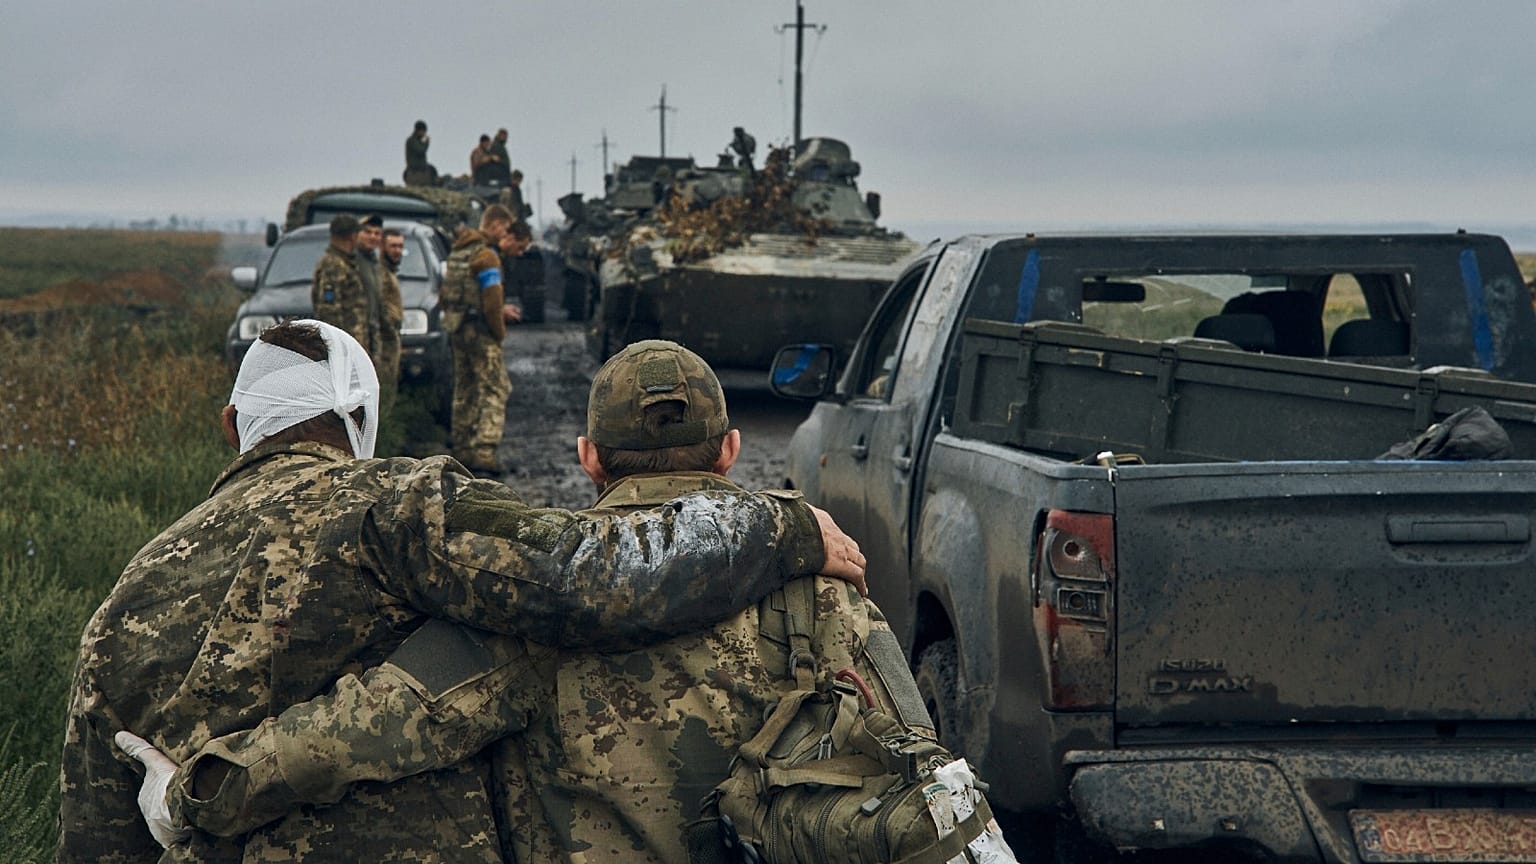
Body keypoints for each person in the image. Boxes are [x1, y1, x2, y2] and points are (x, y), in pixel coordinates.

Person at [60, 322, 865, 863]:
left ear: (232, 426)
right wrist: (780, 526)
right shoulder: (398, 506)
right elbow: (578, 573)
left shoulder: (121, 608)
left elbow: (95, 836)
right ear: (360, 418)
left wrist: (195, 796)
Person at [442, 203, 514, 474]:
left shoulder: (458, 251)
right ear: (495, 225)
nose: (505, 235)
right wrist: (499, 332)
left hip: (458, 327)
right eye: (504, 229)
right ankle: (485, 450)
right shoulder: (486, 256)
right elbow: (492, 301)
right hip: (481, 331)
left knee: (465, 388)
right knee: (495, 387)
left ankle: (462, 447)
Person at [310, 214, 375, 357]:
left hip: (353, 345)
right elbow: (329, 311)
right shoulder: (333, 265)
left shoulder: (345, 263)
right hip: (344, 348)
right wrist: (339, 348)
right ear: (353, 236)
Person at [376, 226, 406, 418]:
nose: (397, 251)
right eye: (393, 246)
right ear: (382, 247)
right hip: (383, 340)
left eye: (400, 246)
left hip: (392, 337)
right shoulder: (380, 272)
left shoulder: (389, 271)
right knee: (384, 391)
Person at [498, 219, 534, 325]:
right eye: (520, 247)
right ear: (511, 238)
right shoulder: (489, 257)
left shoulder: (498, 257)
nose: (520, 253)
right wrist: (499, 310)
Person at [403, 119, 436, 186]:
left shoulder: (417, 141)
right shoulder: (412, 140)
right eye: (424, 132)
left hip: (420, 170)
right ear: (419, 131)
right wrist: (426, 143)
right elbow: (421, 151)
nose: (424, 134)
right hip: (415, 171)